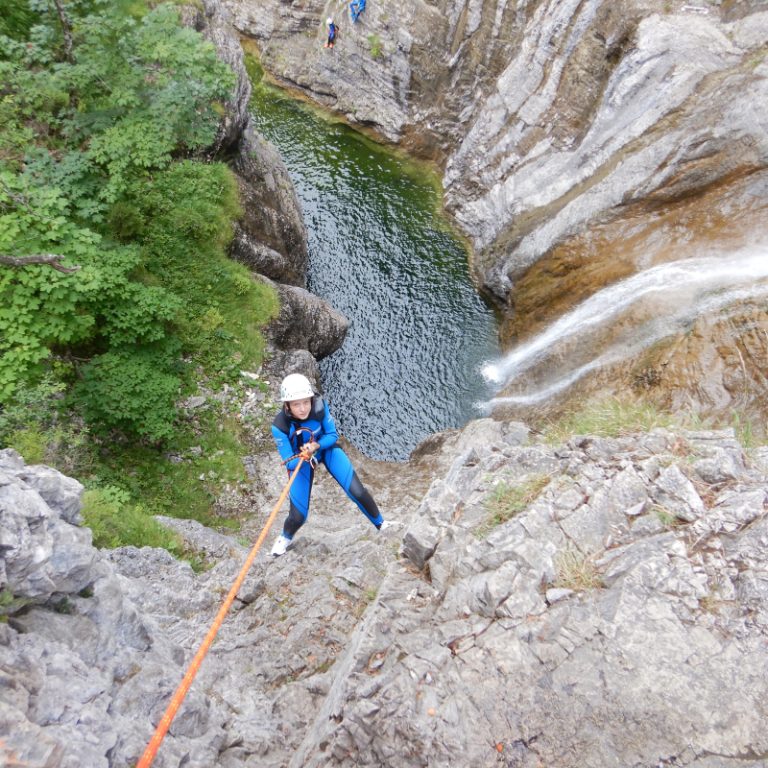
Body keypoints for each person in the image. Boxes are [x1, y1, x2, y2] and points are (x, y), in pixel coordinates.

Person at [270, 373, 393, 557]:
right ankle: (284, 538)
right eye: (296, 404)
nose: (303, 409)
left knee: (357, 491)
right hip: (301, 461)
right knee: (298, 515)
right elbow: (289, 461)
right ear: (287, 406)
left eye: (306, 402)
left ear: (311, 399)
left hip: (325, 449)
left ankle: (382, 525)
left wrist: (317, 446)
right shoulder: (280, 426)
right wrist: (304, 456)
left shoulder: (320, 408)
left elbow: (332, 435)